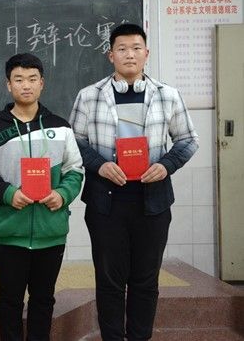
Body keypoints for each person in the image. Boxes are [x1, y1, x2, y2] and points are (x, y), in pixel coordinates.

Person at [69, 23, 199, 340]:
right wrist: (100, 166)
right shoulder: (89, 96)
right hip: (106, 203)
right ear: (110, 55)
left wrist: (166, 165)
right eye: (122, 48)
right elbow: (74, 142)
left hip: (152, 202)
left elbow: (188, 139)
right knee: (109, 281)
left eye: (136, 48)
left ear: (146, 53)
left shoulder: (167, 95)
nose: (130, 54)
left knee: (146, 280)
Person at [0, 53, 84, 341]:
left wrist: (62, 194)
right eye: (19, 79)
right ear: (8, 85)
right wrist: (9, 194)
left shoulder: (60, 127)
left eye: (32, 79)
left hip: (51, 230)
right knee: (10, 299)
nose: (26, 85)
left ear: (42, 83)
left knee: (43, 299)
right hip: (10, 230)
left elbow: (75, 169)